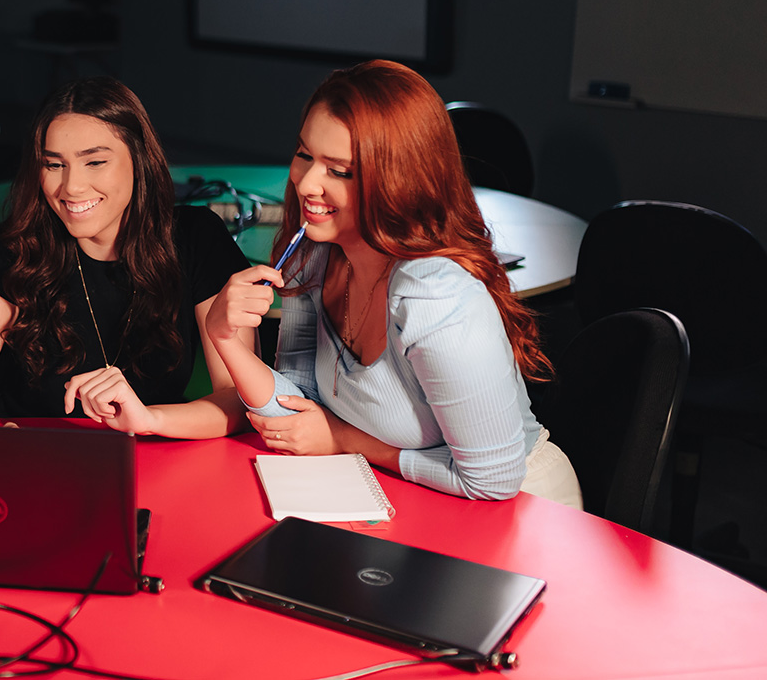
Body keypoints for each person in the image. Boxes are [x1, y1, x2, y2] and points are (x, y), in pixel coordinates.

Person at [205, 60, 581, 505]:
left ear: (398, 180)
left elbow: (491, 481)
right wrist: (224, 336)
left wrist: (345, 439)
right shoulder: (314, 252)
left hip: (520, 506)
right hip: (403, 493)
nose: (306, 183)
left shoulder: (434, 294)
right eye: (304, 154)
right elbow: (298, 410)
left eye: (339, 170)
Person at [0, 77, 253, 437]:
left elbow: (240, 398)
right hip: (37, 452)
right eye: (54, 165)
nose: (72, 187)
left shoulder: (197, 237)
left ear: (139, 159)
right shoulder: (20, 245)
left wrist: (149, 420)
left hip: (155, 451)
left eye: (95, 162)